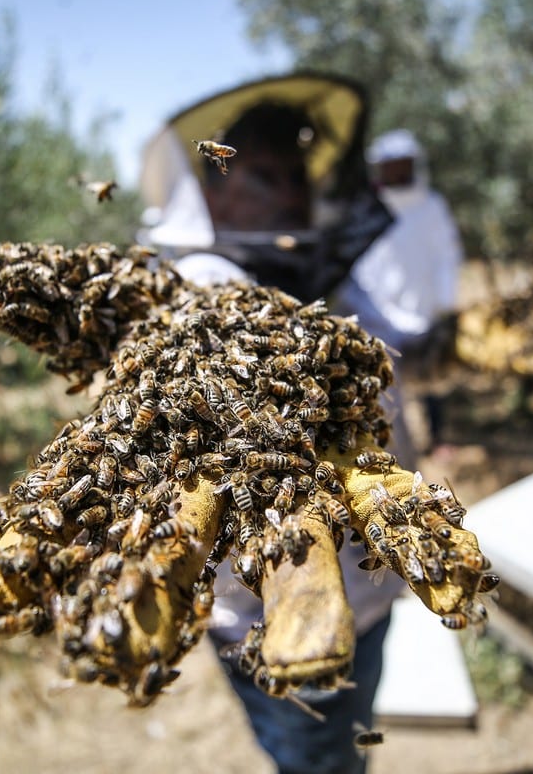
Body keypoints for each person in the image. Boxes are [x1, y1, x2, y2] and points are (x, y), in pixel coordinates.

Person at [138, 74, 402, 774]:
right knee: (313, 754)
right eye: (263, 175)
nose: (289, 193)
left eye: (297, 174)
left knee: (346, 742)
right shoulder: (195, 289)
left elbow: (396, 355)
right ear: (215, 184)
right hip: (264, 610)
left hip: (371, 585)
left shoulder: (325, 269)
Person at [333, 129, 463, 458]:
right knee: (387, 390)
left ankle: (438, 436)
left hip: (424, 306)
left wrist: (445, 304)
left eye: (402, 164)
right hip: (378, 313)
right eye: (390, 165)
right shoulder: (366, 208)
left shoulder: (431, 206)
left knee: (433, 376)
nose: (397, 171)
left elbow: (447, 255)